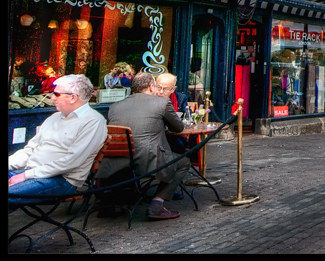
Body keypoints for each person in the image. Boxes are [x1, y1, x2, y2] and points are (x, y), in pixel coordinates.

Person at [8, 74, 107, 206]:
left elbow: (71, 162)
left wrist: (26, 175)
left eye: (56, 94)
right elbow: (29, 150)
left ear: (73, 97)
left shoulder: (93, 121)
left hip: (60, 180)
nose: (52, 97)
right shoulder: (54, 117)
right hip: (32, 172)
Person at [104, 71, 190, 220]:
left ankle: (126, 197)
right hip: (147, 162)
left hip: (117, 163)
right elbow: (178, 128)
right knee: (184, 162)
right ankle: (157, 204)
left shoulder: (115, 106)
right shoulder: (162, 103)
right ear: (151, 87)